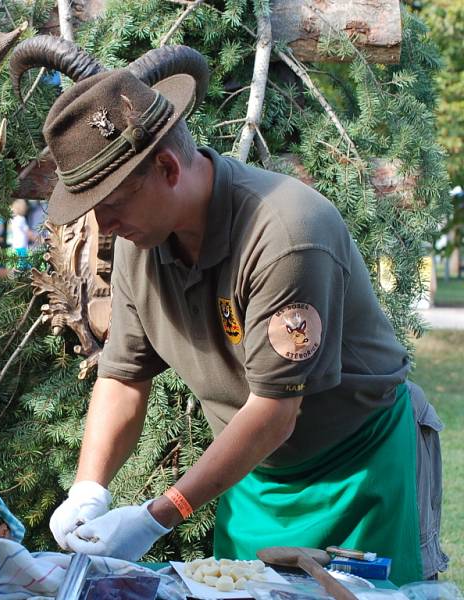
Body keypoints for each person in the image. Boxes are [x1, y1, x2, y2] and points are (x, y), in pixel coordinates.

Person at [39, 66, 447, 585]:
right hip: (252, 477)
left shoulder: (286, 234)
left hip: (359, 471)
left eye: (113, 205)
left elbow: (275, 414)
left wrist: (157, 515)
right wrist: (88, 491)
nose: (105, 226)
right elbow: (122, 377)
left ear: (167, 168)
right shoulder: (136, 245)